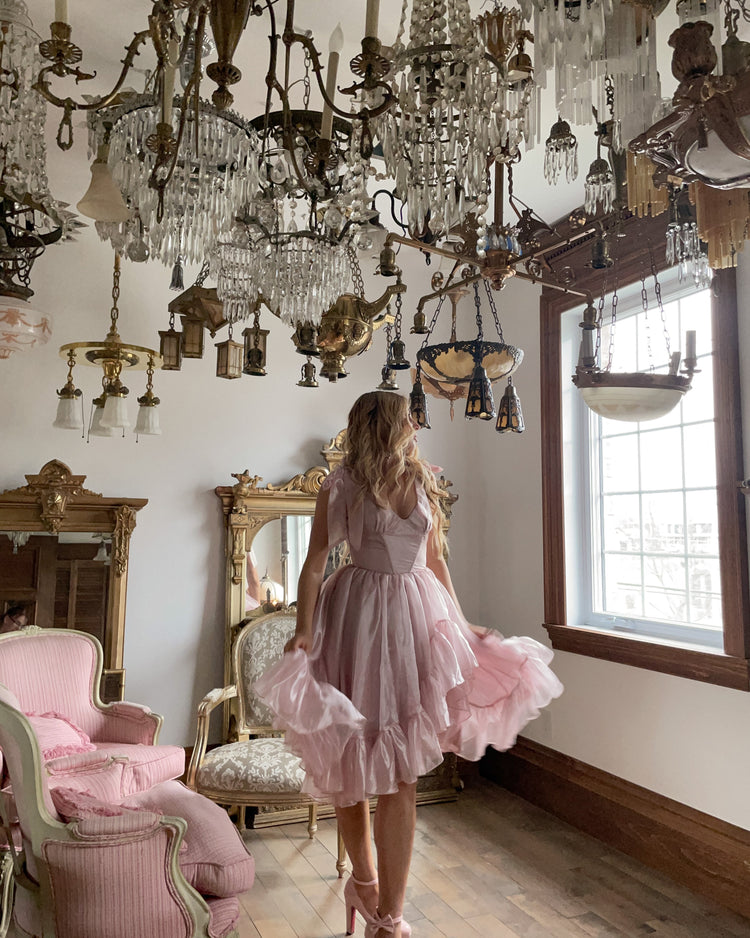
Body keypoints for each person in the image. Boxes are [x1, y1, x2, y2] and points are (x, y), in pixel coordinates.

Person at [254, 391, 563, 938]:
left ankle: (390, 918)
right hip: (357, 618)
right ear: (384, 424)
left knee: (401, 775)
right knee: (350, 760)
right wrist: (303, 629)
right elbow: (315, 563)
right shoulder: (341, 484)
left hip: (416, 620)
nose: (416, 427)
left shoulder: (422, 479)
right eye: (408, 419)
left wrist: (462, 624)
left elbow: (437, 559)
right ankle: (364, 883)